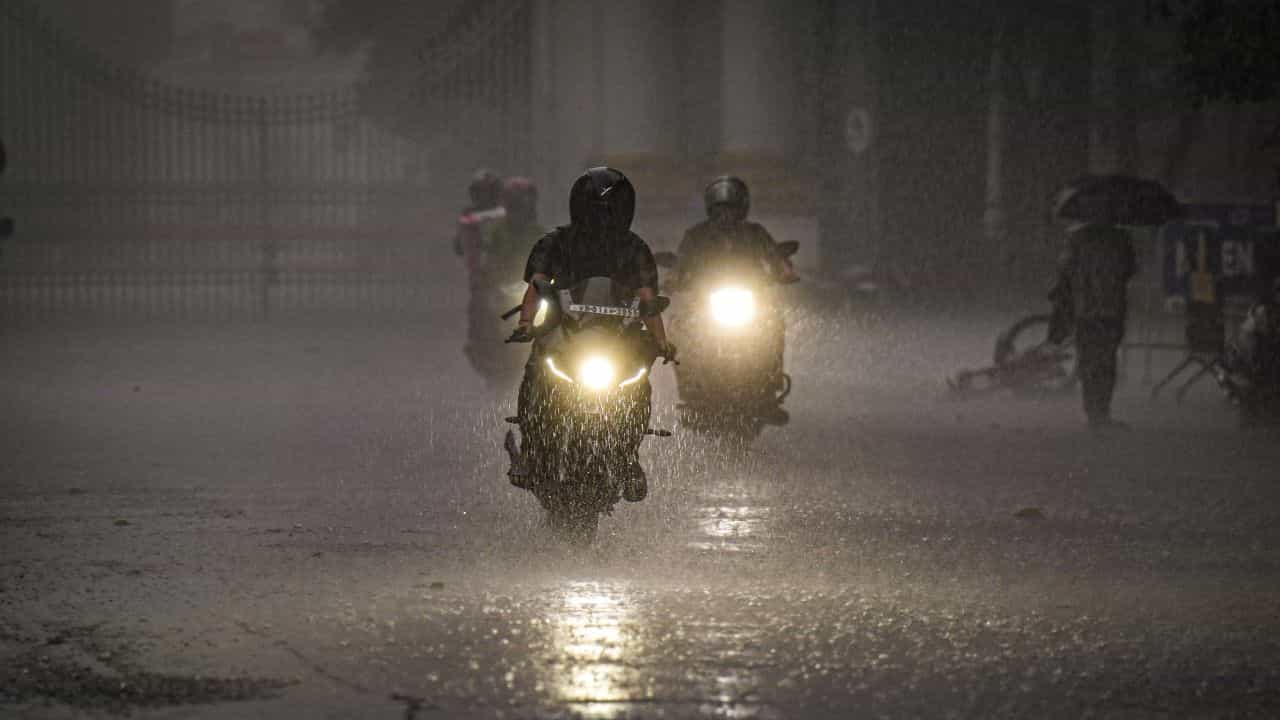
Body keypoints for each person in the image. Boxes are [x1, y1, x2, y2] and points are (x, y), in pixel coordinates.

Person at [506, 167, 675, 500]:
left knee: (638, 380)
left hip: (618, 336)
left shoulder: (635, 248)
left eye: (611, 209)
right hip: (563, 330)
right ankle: (531, 446)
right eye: (598, 209)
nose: (604, 216)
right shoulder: (554, 242)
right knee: (536, 370)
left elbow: (648, 300)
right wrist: (526, 324)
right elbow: (536, 285)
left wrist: (662, 341)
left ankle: (628, 453)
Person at [672, 176, 797, 420]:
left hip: (751, 301)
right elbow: (680, 263)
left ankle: (771, 384)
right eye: (720, 209)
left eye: (731, 209)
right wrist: (673, 277)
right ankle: (689, 389)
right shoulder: (696, 235)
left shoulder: (755, 233)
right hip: (705, 303)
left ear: (742, 208)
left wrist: (784, 270)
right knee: (679, 327)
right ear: (711, 209)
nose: (725, 215)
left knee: (774, 324)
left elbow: (776, 257)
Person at [1048, 219, 1137, 430]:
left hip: (1085, 309)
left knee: (1089, 360)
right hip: (1111, 307)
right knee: (1106, 361)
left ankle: (1093, 413)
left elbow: (1065, 270)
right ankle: (1102, 411)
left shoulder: (1076, 238)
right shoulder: (1120, 238)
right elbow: (1130, 269)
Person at [454, 170, 506, 368]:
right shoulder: (470, 216)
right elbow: (460, 244)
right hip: (482, 278)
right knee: (478, 311)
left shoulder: (508, 214)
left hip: (506, 274)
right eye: (480, 192)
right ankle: (479, 349)